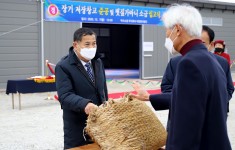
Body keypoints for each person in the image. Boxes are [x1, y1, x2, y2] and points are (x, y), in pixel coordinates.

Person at [132, 4, 231, 150]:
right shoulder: (211, 60)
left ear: (177, 29)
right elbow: (190, 99)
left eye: (167, 31)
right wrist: (149, 97)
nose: (166, 36)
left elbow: (186, 127)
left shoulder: (189, 63)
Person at [55, 28, 108, 149]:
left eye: (94, 44)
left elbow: (103, 89)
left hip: (100, 123)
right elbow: (65, 96)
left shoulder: (98, 62)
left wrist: (107, 107)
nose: (92, 48)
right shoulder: (64, 66)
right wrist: (85, 105)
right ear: (76, 45)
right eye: (87, 44)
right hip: (78, 124)